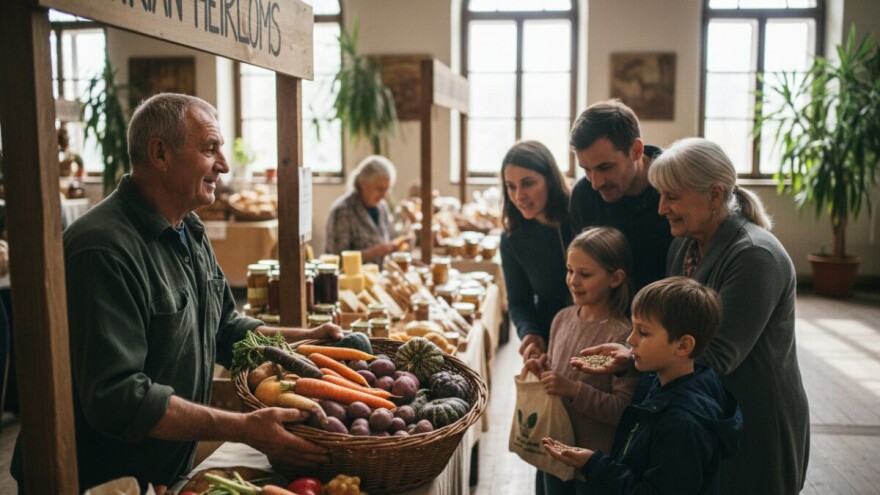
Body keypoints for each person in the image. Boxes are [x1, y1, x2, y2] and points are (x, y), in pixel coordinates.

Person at [11, 93, 343, 492]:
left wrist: (306, 341)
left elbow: (227, 330)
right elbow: (119, 398)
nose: (223, 165)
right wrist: (244, 428)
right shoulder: (102, 250)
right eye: (210, 149)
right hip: (98, 483)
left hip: (160, 476)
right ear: (160, 154)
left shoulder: (188, 229)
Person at [576, 137, 810, 494]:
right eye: (660, 195)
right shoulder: (683, 245)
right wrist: (633, 355)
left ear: (715, 195)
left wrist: (639, 361)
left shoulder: (754, 256)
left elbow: (715, 357)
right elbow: (678, 340)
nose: (661, 208)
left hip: (751, 422)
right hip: (701, 417)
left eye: (673, 197)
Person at [544, 276, 743, 494]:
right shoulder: (673, 381)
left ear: (684, 345)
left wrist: (594, 464)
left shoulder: (682, 424)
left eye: (643, 332)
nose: (630, 340)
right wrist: (627, 365)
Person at [524, 227, 640, 494]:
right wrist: (542, 367)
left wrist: (573, 390)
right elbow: (557, 372)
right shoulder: (561, 319)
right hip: (552, 451)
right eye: (570, 270)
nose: (573, 280)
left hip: (591, 466)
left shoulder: (621, 335)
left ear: (616, 278)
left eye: (585, 274)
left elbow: (621, 410)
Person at [569, 99, 672, 293]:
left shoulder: (676, 186)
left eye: (605, 167)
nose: (596, 182)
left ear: (636, 150)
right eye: (586, 170)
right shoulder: (583, 196)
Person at [498, 141, 575, 360]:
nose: (519, 195)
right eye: (511, 186)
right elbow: (519, 300)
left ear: (550, 180)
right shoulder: (512, 236)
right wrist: (530, 332)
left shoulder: (578, 213)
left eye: (528, 183)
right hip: (550, 334)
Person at [325, 155, 408, 264]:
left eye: (387, 190)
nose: (384, 195)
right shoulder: (343, 211)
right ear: (362, 183)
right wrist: (374, 252)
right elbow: (337, 259)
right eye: (380, 189)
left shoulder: (381, 207)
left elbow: (391, 237)